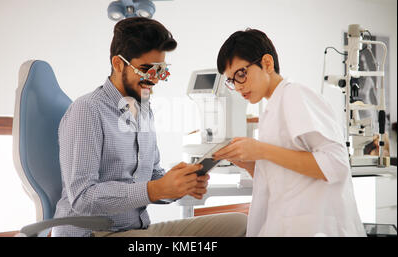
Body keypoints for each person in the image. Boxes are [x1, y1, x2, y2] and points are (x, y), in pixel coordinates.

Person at [51, 17, 247, 237]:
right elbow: (82, 198)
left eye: (160, 70)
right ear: (118, 64)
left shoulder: (144, 110)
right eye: (146, 69)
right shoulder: (88, 110)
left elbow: (153, 177)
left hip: (136, 230)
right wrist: (156, 189)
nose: (154, 79)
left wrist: (177, 185)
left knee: (239, 225)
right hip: (93, 233)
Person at [212, 28, 366, 237]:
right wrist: (249, 163)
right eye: (231, 80)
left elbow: (336, 165)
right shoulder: (272, 109)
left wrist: (260, 150)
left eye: (241, 74)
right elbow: (283, 179)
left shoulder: (295, 95)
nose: (238, 87)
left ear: (267, 63)